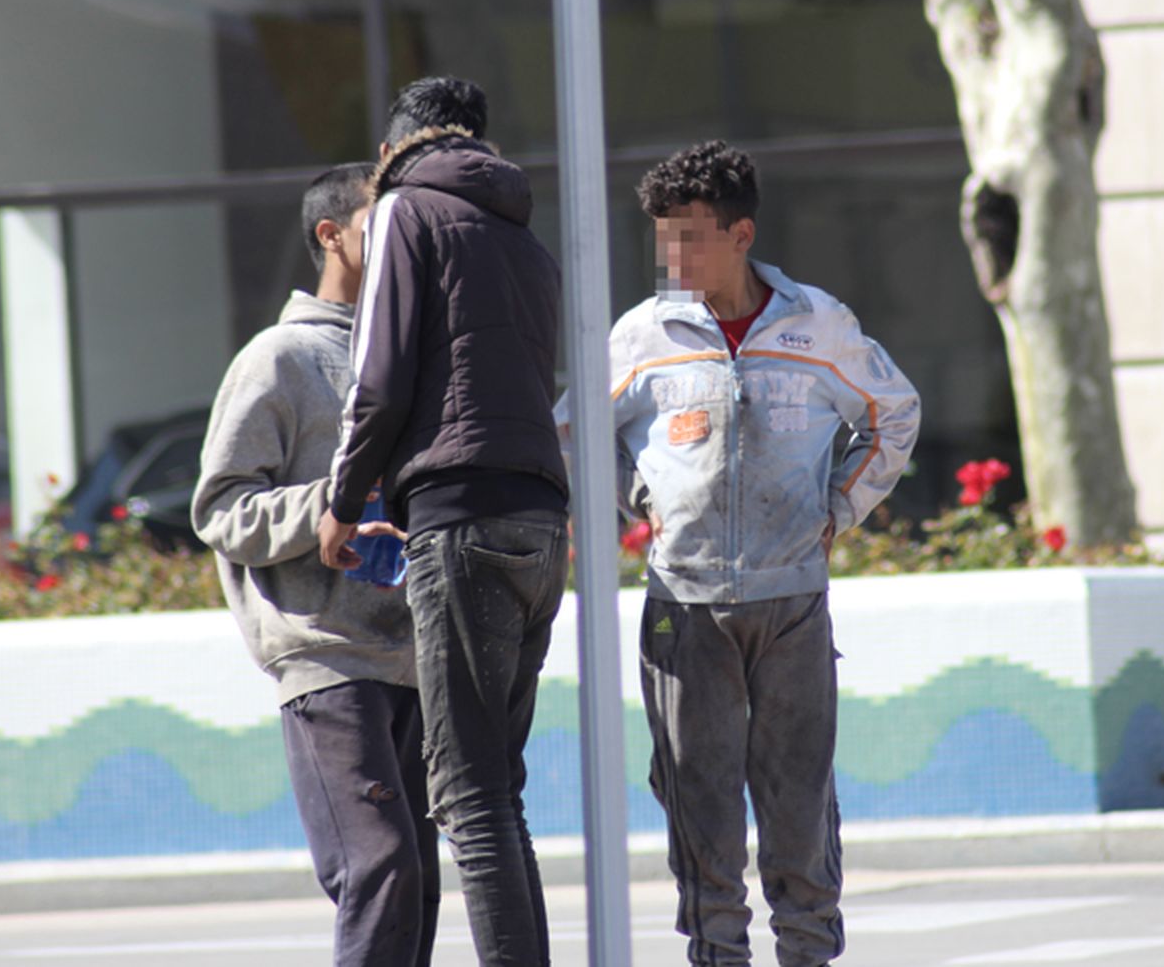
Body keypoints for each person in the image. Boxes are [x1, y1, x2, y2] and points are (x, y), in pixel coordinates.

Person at [607, 140, 921, 966]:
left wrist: (842, 505)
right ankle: (717, 955)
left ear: (742, 234)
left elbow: (893, 415)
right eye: (663, 239)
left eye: (692, 237)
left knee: (799, 808)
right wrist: (639, 500)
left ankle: (809, 952)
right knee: (700, 809)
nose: (673, 257)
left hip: (793, 608)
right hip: (684, 610)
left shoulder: (819, 324)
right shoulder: (640, 336)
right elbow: (572, 435)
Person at [316, 76, 570, 967]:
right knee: (497, 790)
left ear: (393, 150)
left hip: (460, 519)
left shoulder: (405, 212)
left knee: (466, 795)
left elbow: (375, 378)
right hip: (542, 525)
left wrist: (342, 504)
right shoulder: (522, 236)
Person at [192, 162, 438, 967]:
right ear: (331, 236)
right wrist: (331, 507)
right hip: (326, 656)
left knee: (420, 880)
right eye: (381, 224)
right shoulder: (279, 359)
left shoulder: (413, 353)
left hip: (415, 655)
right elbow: (219, 510)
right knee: (379, 865)